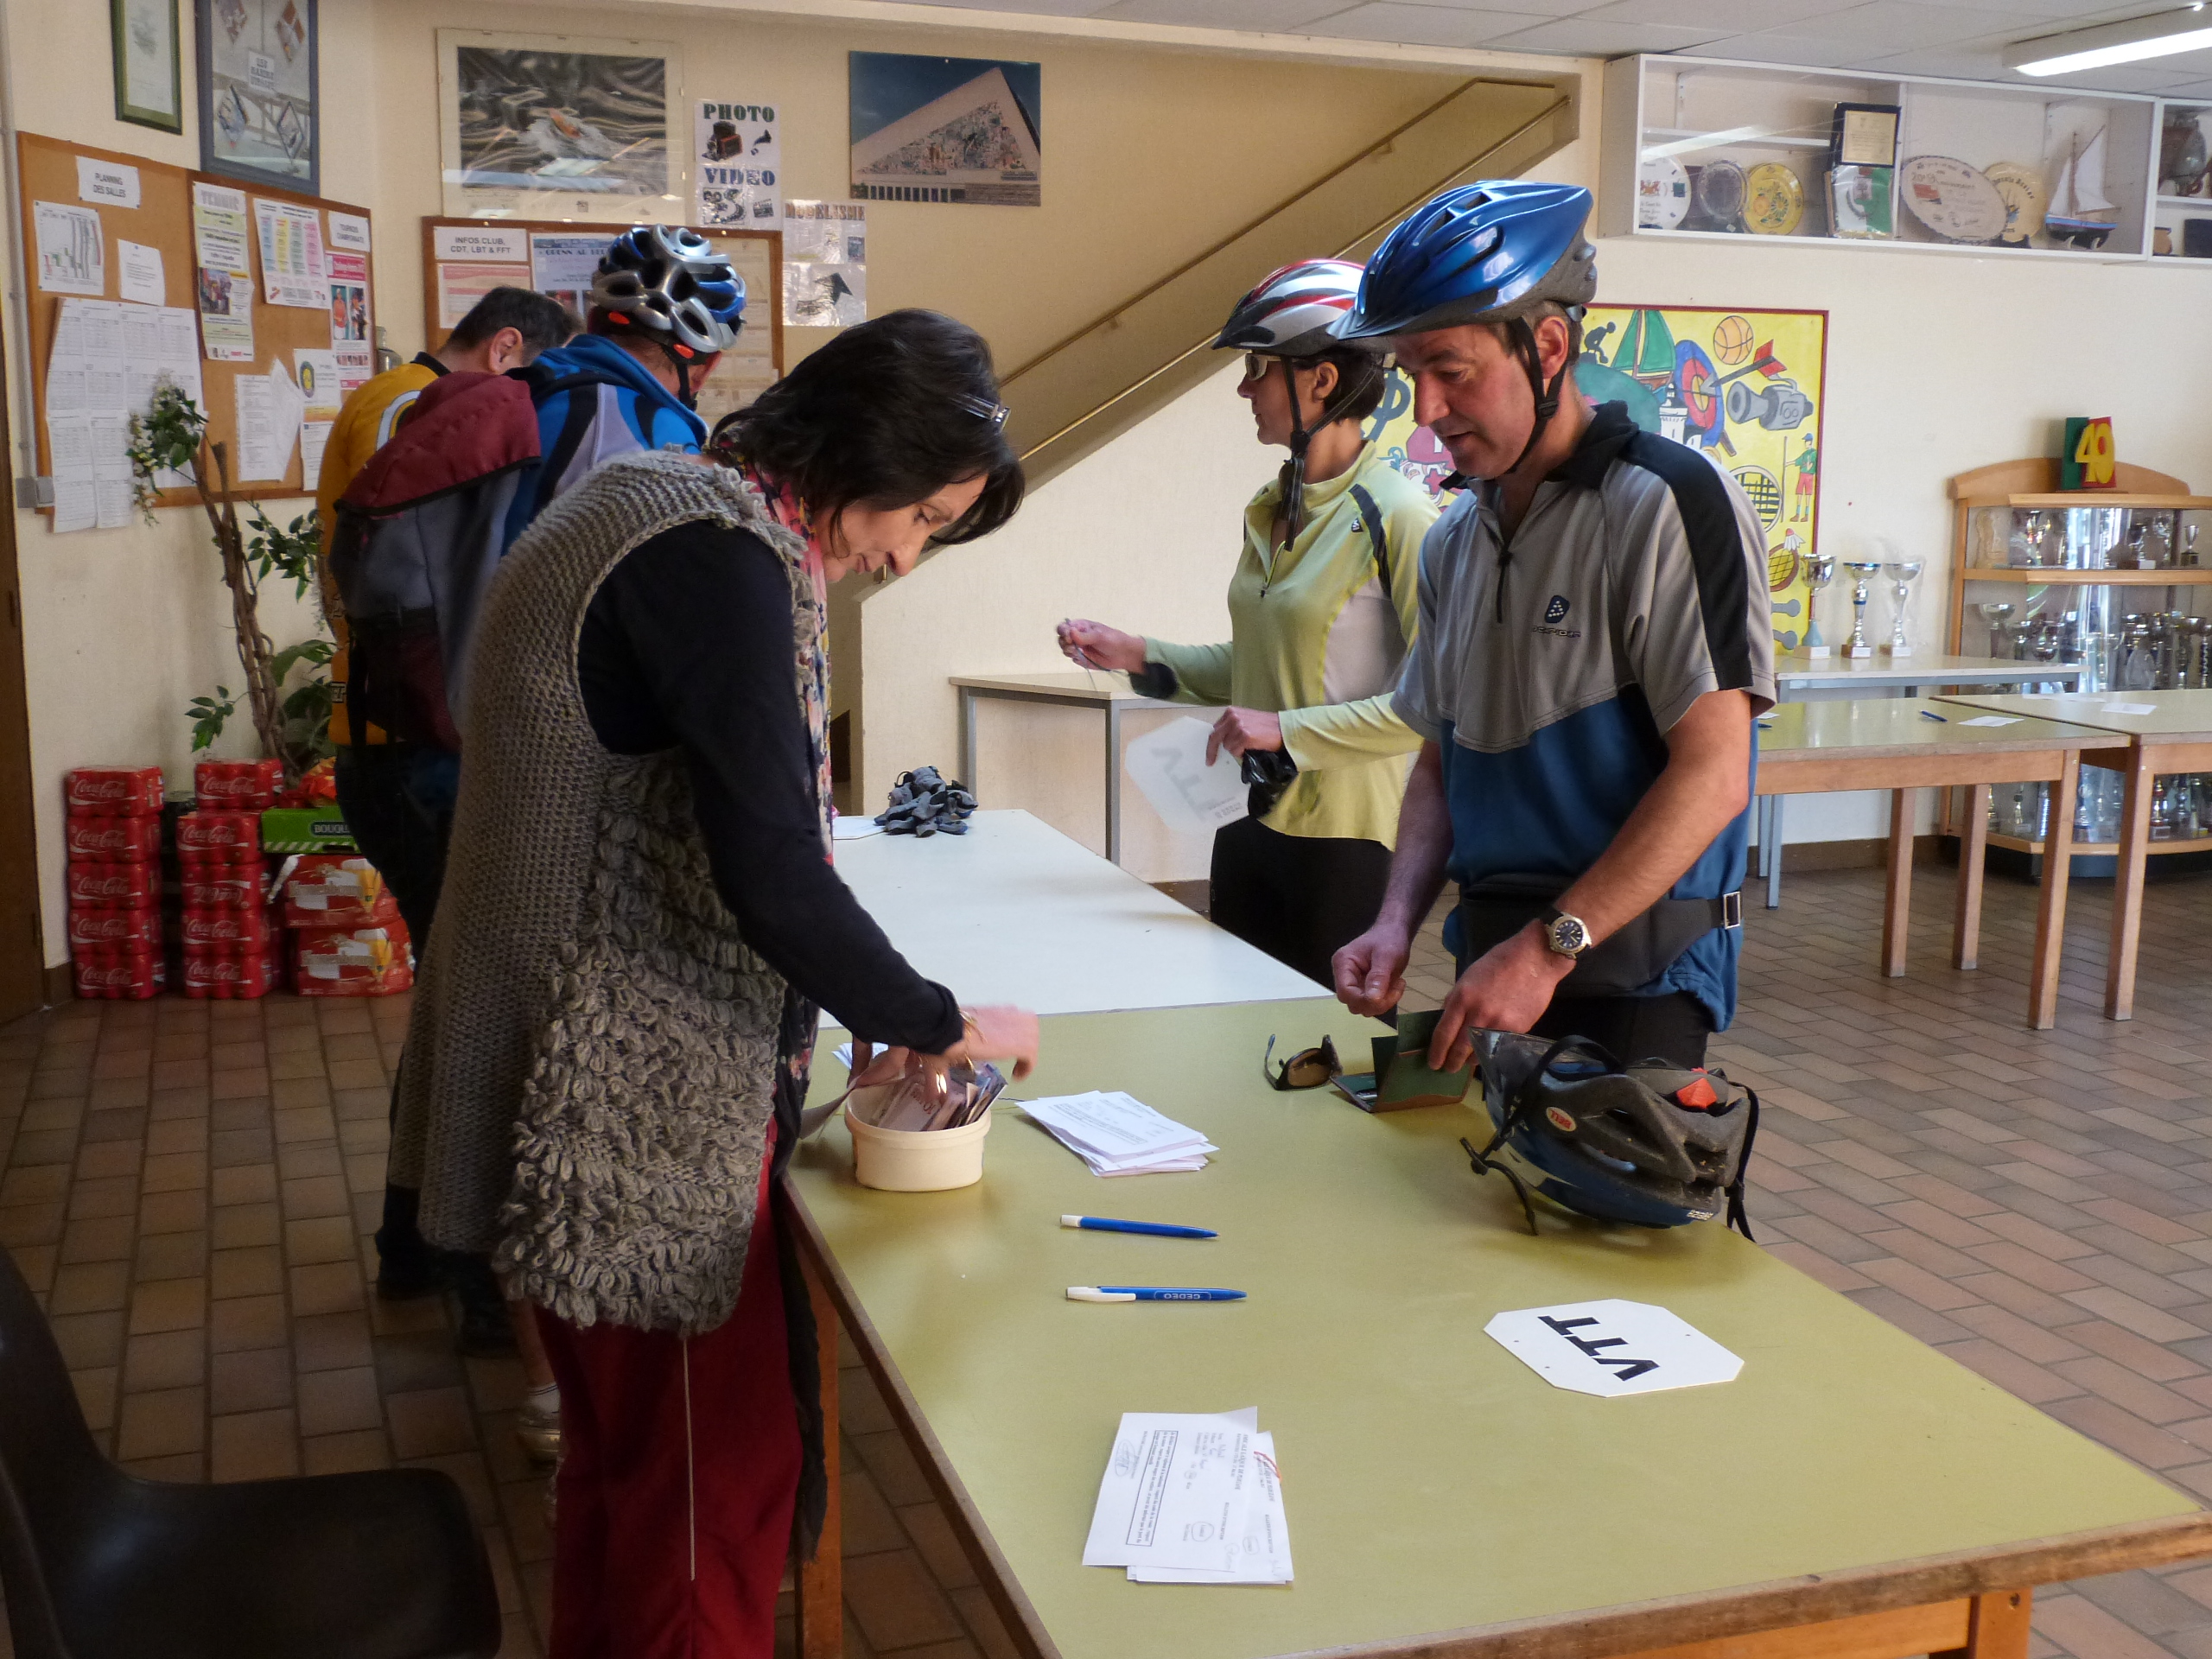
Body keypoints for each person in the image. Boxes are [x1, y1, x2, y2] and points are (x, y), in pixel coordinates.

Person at [391, 308, 1034, 1659]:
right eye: (920, 516)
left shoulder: (652, 492)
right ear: (862, 452)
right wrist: (936, 1021)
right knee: (708, 1501)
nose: (903, 555)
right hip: (626, 1108)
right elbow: (773, 870)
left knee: (625, 1481)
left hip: (556, 1056)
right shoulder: (718, 554)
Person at [1329, 181, 1773, 1076]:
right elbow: (1439, 762)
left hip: (1637, 971)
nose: (1425, 410)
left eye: (1450, 369)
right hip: (1498, 955)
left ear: (1548, 347)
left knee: (1619, 1171)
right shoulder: (1456, 537)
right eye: (1411, 376)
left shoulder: (1666, 503)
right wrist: (1394, 920)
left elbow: (1715, 775)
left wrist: (1548, 947)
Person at [1056, 260, 1437, 988]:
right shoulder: (1271, 505)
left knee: (1324, 1046)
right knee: (1239, 1032)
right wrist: (1137, 654)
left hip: (1347, 840)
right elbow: (1264, 667)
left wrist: (1286, 731)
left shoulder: (1401, 517)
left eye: (1259, 368)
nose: (1244, 388)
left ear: (1321, 381)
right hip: (1247, 819)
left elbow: (1435, 708)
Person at [315, 285, 574, 1352]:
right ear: (506, 347)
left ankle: (415, 1245)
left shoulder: (384, 398)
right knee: (468, 1007)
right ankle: (464, 1272)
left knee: (447, 1001)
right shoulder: (421, 407)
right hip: (415, 747)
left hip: (390, 738)